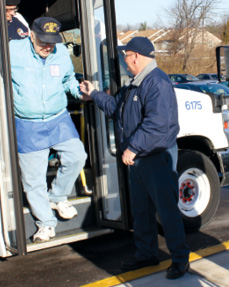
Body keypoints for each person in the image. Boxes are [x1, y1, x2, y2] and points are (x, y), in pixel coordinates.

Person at [79, 37, 190, 280]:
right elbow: (115, 108)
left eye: (126, 57)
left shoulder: (156, 83)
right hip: (140, 160)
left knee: (166, 211)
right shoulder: (134, 86)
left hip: (156, 158)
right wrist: (94, 94)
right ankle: (146, 255)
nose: (125, 62)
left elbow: (158, 124)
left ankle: (180, 260)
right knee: (142, 211)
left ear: (136, 57)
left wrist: (133, 148)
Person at [10, 17, 89, 243]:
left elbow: (68, 79)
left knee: (77, 156)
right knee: (33, 180)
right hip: (28, 123)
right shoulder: (12, 51)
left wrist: (79, 91)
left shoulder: (61, 52)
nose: (48, 46)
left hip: (58, 119)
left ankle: (57, 196)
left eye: (52, 42)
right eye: (43, 41)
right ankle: (45, 224)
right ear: (31, 35)